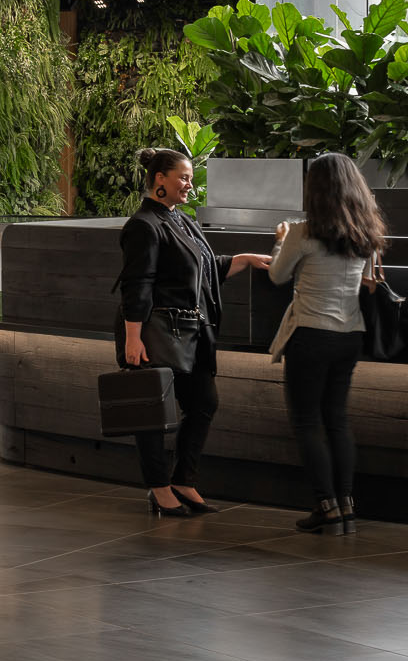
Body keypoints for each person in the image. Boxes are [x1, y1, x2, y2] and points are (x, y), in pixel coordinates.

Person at [116, 148, 272, 517]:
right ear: (160, 180)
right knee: (152, 412)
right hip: (155, 332)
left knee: (204, 403)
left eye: (189, 177)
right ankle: (159, 487)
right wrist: (132, 338)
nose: (189, 184)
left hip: (191, 332)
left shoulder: (181, 220)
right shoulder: (143, 225)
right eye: (183, 177)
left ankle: (183, 480)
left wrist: (245, 259)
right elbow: (137, 285)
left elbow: (205, 267)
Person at [268, 152, 389, 536]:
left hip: (311, 335)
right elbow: (369, 280)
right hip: (350, 335)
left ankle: (325, 505)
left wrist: (280, 241)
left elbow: (277, 276)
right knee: (336, 420)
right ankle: (347, 502)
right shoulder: (367, 235)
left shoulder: (303, 233)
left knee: (306, 421)